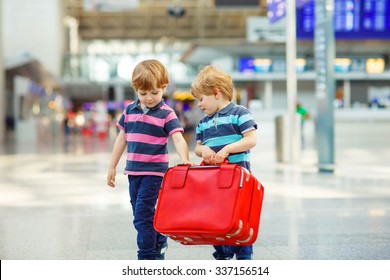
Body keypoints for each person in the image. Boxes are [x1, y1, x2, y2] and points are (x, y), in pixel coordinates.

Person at [106, 59, 192, 260]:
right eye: (143, 93)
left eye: (155, 92)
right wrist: (112, 166)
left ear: (164, 87)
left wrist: (185, 160)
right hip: (133, 173)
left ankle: (146, 256)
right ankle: (160, 238)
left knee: (142, 217)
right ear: (136, 89)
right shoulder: (129, 111)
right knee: (139, 214)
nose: (149, 98)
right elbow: (121, 140)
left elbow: (178, 139)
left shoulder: (166, 114)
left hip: (154, 174)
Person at [190, 65, 258, 260]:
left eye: (201, 99)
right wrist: (204, 150)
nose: (199, 105)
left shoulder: (240, 113)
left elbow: (251, 139)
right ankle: (222, 255)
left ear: (216, 93)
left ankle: (243, 258)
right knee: (217, 222)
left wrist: (227, 149)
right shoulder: (204, 123)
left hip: (238, 184)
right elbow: (198, 147)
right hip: (214, 185)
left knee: (240, 222)